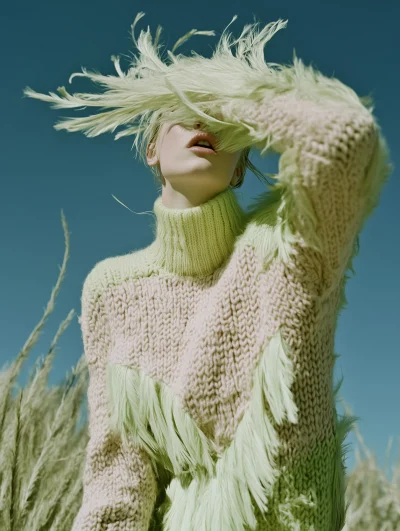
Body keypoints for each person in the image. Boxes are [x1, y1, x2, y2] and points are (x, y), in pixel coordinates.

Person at [23, 12, 392, 531]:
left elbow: (346, 138)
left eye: (220, 121)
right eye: (186, 111)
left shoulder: (292, 243)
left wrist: (230, 97)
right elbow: (118, 480)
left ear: (241, 164)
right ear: (151, 149)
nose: (205, 123)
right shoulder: (112, 289)